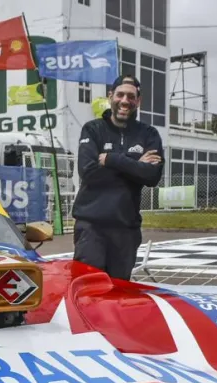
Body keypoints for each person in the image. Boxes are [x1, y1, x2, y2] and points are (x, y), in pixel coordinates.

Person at [70, 74, 164, 280]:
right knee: (88, 288)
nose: (125, 101)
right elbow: (88, 172)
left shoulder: (149, 134)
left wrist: (113, 159)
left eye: (131, 97)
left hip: (126, 230)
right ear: (111, 96)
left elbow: (152, 176)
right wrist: (136, 165)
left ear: (138, 101)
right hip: (91, 227)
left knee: (119, 292)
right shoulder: (93, 129)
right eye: (120, 95)